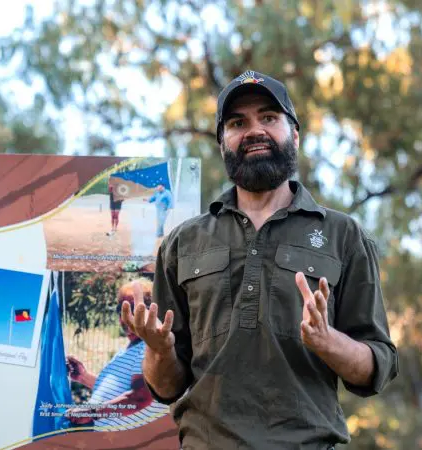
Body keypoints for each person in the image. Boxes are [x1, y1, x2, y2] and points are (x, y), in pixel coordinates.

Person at [121, 70, 399, 449]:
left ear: (294, 135)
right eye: (238, 123)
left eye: (268, 118)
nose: (254, 131)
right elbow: (167, 387)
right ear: (223, 144)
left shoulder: (343, 235)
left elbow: (377, 367)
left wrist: (327, 341)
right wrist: (159, 349)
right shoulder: (182, 243)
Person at [65, 278, 169, 429]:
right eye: (121, 309)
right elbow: (119, 393)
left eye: (131, 309)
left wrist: (91, 412)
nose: (124, 317)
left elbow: (140, 398)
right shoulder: (128, 350)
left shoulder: (150, 347)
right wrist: (83, 377)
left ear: (149, 312)